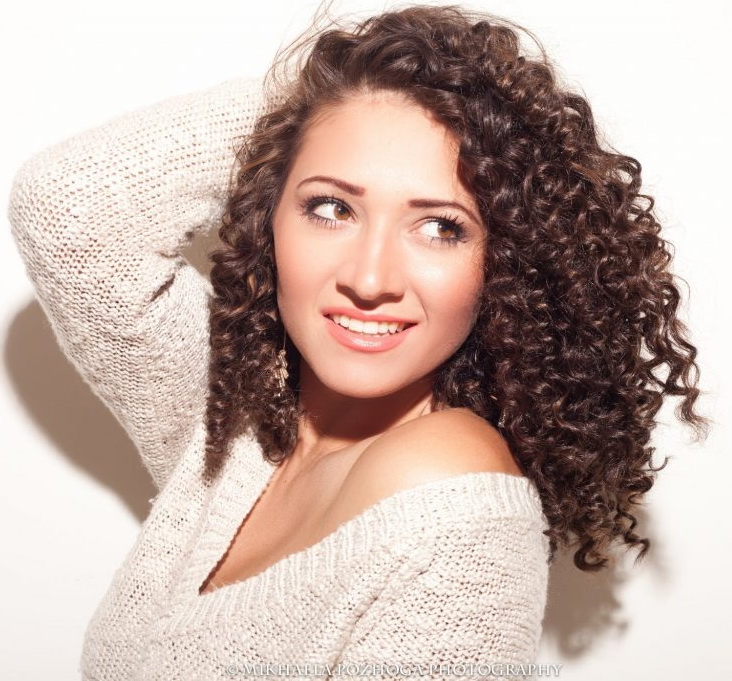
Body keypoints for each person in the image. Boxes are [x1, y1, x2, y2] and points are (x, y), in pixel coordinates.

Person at [8, 4, 705, 680]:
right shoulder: (234, 424)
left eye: (440, 228)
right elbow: (68, 212)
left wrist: (403, 105)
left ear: (507, 265)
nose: (370, 280)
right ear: (267, 216)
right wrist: (326, 99)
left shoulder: (449, 495)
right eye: (331, 207)